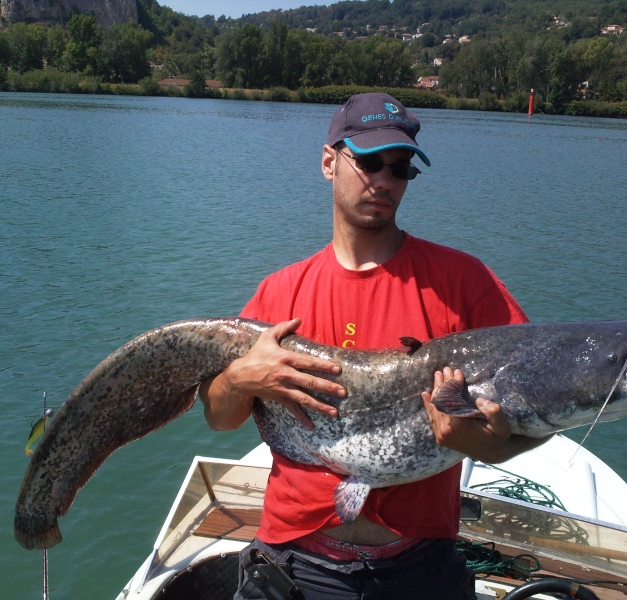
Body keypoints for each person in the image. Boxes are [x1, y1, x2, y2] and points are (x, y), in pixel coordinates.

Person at [199, 93, 547, 599]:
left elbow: (541, 406)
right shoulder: (279, 292)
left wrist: (494, 448)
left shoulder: (464, 283)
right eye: (367, 162)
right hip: (295, 563)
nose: (384, 180)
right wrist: (238, 380)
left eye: (400, 168)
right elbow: (220, 418)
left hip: (419, 566)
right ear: (328, 161)